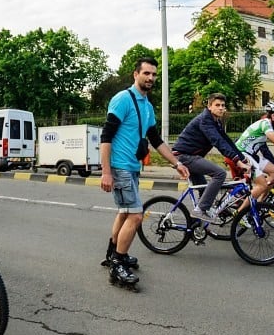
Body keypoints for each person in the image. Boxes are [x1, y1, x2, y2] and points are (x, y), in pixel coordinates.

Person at [100, 57, 190, 286]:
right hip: (119, 167)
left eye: (153, 74)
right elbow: (106, 137)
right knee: (136, 215)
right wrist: (106, 172)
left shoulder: (147, 106)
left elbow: (156, 140)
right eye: (146, 73)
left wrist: (176, 164)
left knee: (124, 212)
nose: (150, 78)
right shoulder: (122, 99)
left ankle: (113, 253)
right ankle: (117, 265)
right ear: (135, 74)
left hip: (132, 167)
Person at [171, 93, 251, 222]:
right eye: (217, 105)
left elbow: (226, 141)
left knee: (203, 190)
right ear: (209, 107)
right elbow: (217, 142)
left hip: (191, 156)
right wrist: (237, 162)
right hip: (184, 156)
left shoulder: (215, 121)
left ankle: (196, 226)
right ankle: (200, 210)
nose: (221, 108)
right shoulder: (205, 120)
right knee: (219, 173)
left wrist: (242, 159)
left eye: (223, 106)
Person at [234, 100, 274, 190]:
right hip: (242, 154)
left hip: (249, 155)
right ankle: (251, 202)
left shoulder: (266, 124)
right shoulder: (266, 124)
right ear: (273, 116)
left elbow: (265, 151)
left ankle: (260, 203)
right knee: (262, 185)